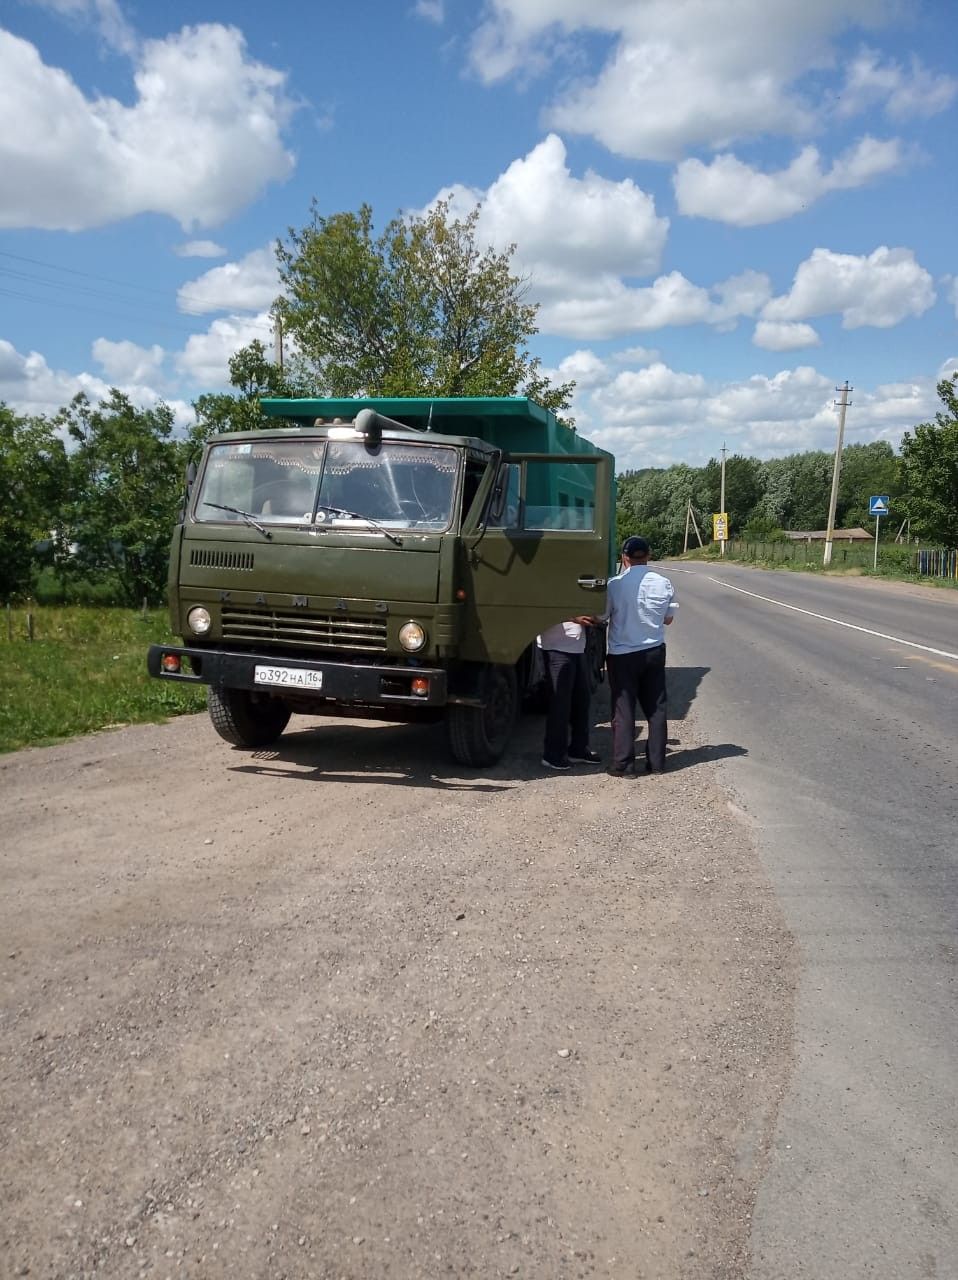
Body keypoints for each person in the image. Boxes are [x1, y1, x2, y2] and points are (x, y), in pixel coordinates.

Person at [602, 536, 677, 777]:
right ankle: (657, 763)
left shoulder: (615, 585)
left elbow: (602, 616)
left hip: (622, 654)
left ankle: (624, 765)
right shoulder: (664, 583)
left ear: (624, 558)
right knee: (656, 707)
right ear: (648, 556)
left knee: (624, 708)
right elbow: (668, 618)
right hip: (654, 651)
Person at [537, 617, 602, 771]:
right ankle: (553, 755)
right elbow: (546, 608)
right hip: (556, 647)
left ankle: (578, 749)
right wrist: (574, 617)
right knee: (560, 704)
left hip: (577, 647)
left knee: (581, 701)